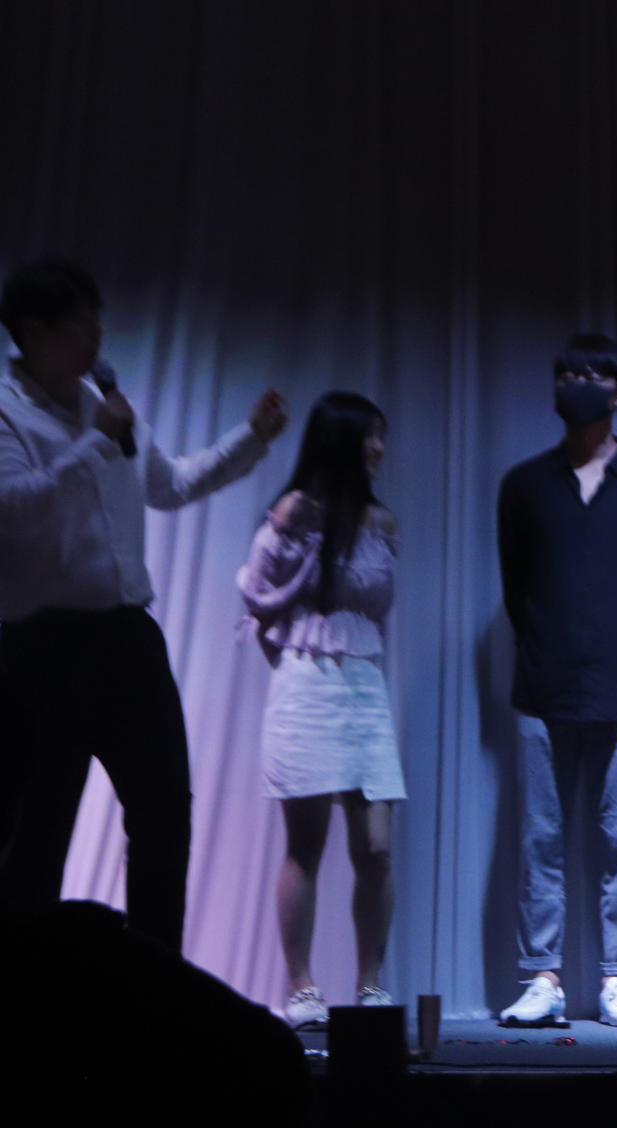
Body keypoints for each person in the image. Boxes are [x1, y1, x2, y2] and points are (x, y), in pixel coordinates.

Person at [0, 257, 288, 949]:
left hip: (128, 638)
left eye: (98, 321)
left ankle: (156, 980)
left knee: (163, 813)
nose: (97, 336)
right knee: (39, 826)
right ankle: (24, 988)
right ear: (35, 332)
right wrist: (95, 446)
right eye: (83, 322)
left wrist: (251, 438)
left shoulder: (106, 408)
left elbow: (172, 484)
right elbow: (13, 508)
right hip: (41, 649)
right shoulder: (9, 411)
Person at [495, 334, 617, 1028]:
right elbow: (517, 586)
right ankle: (542, 977)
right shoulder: (523, 485)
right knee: (540, 838)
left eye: (594, 375)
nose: (578, 384)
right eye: (567, 373)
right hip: (544, 684)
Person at [237, 392, 406, 1028]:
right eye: (369, 436)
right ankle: (302, 987)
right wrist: (291, 664)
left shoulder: (381, 522)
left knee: (376, 848)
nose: (378, 448)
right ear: (340, 441)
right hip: (306, 682)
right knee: (305, 845)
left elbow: (375, 608)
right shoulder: (295, 512)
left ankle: (370, 986)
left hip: (364, 685)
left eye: (381, 436)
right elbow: (257, 596)